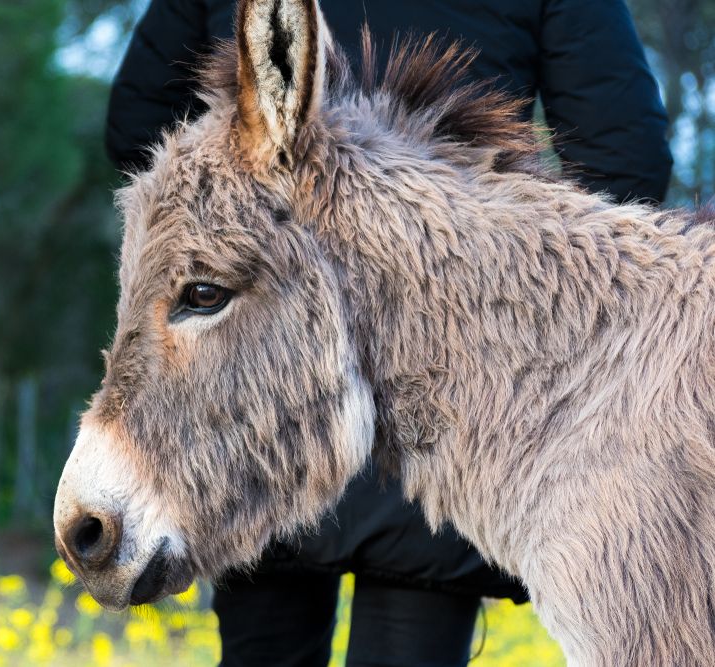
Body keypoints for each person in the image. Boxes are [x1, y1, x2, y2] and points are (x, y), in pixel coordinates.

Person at [105, 1, 672, 665]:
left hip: (256, 407)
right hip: (438, 408)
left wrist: (246, 208)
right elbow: (627, 159)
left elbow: (137, 126)